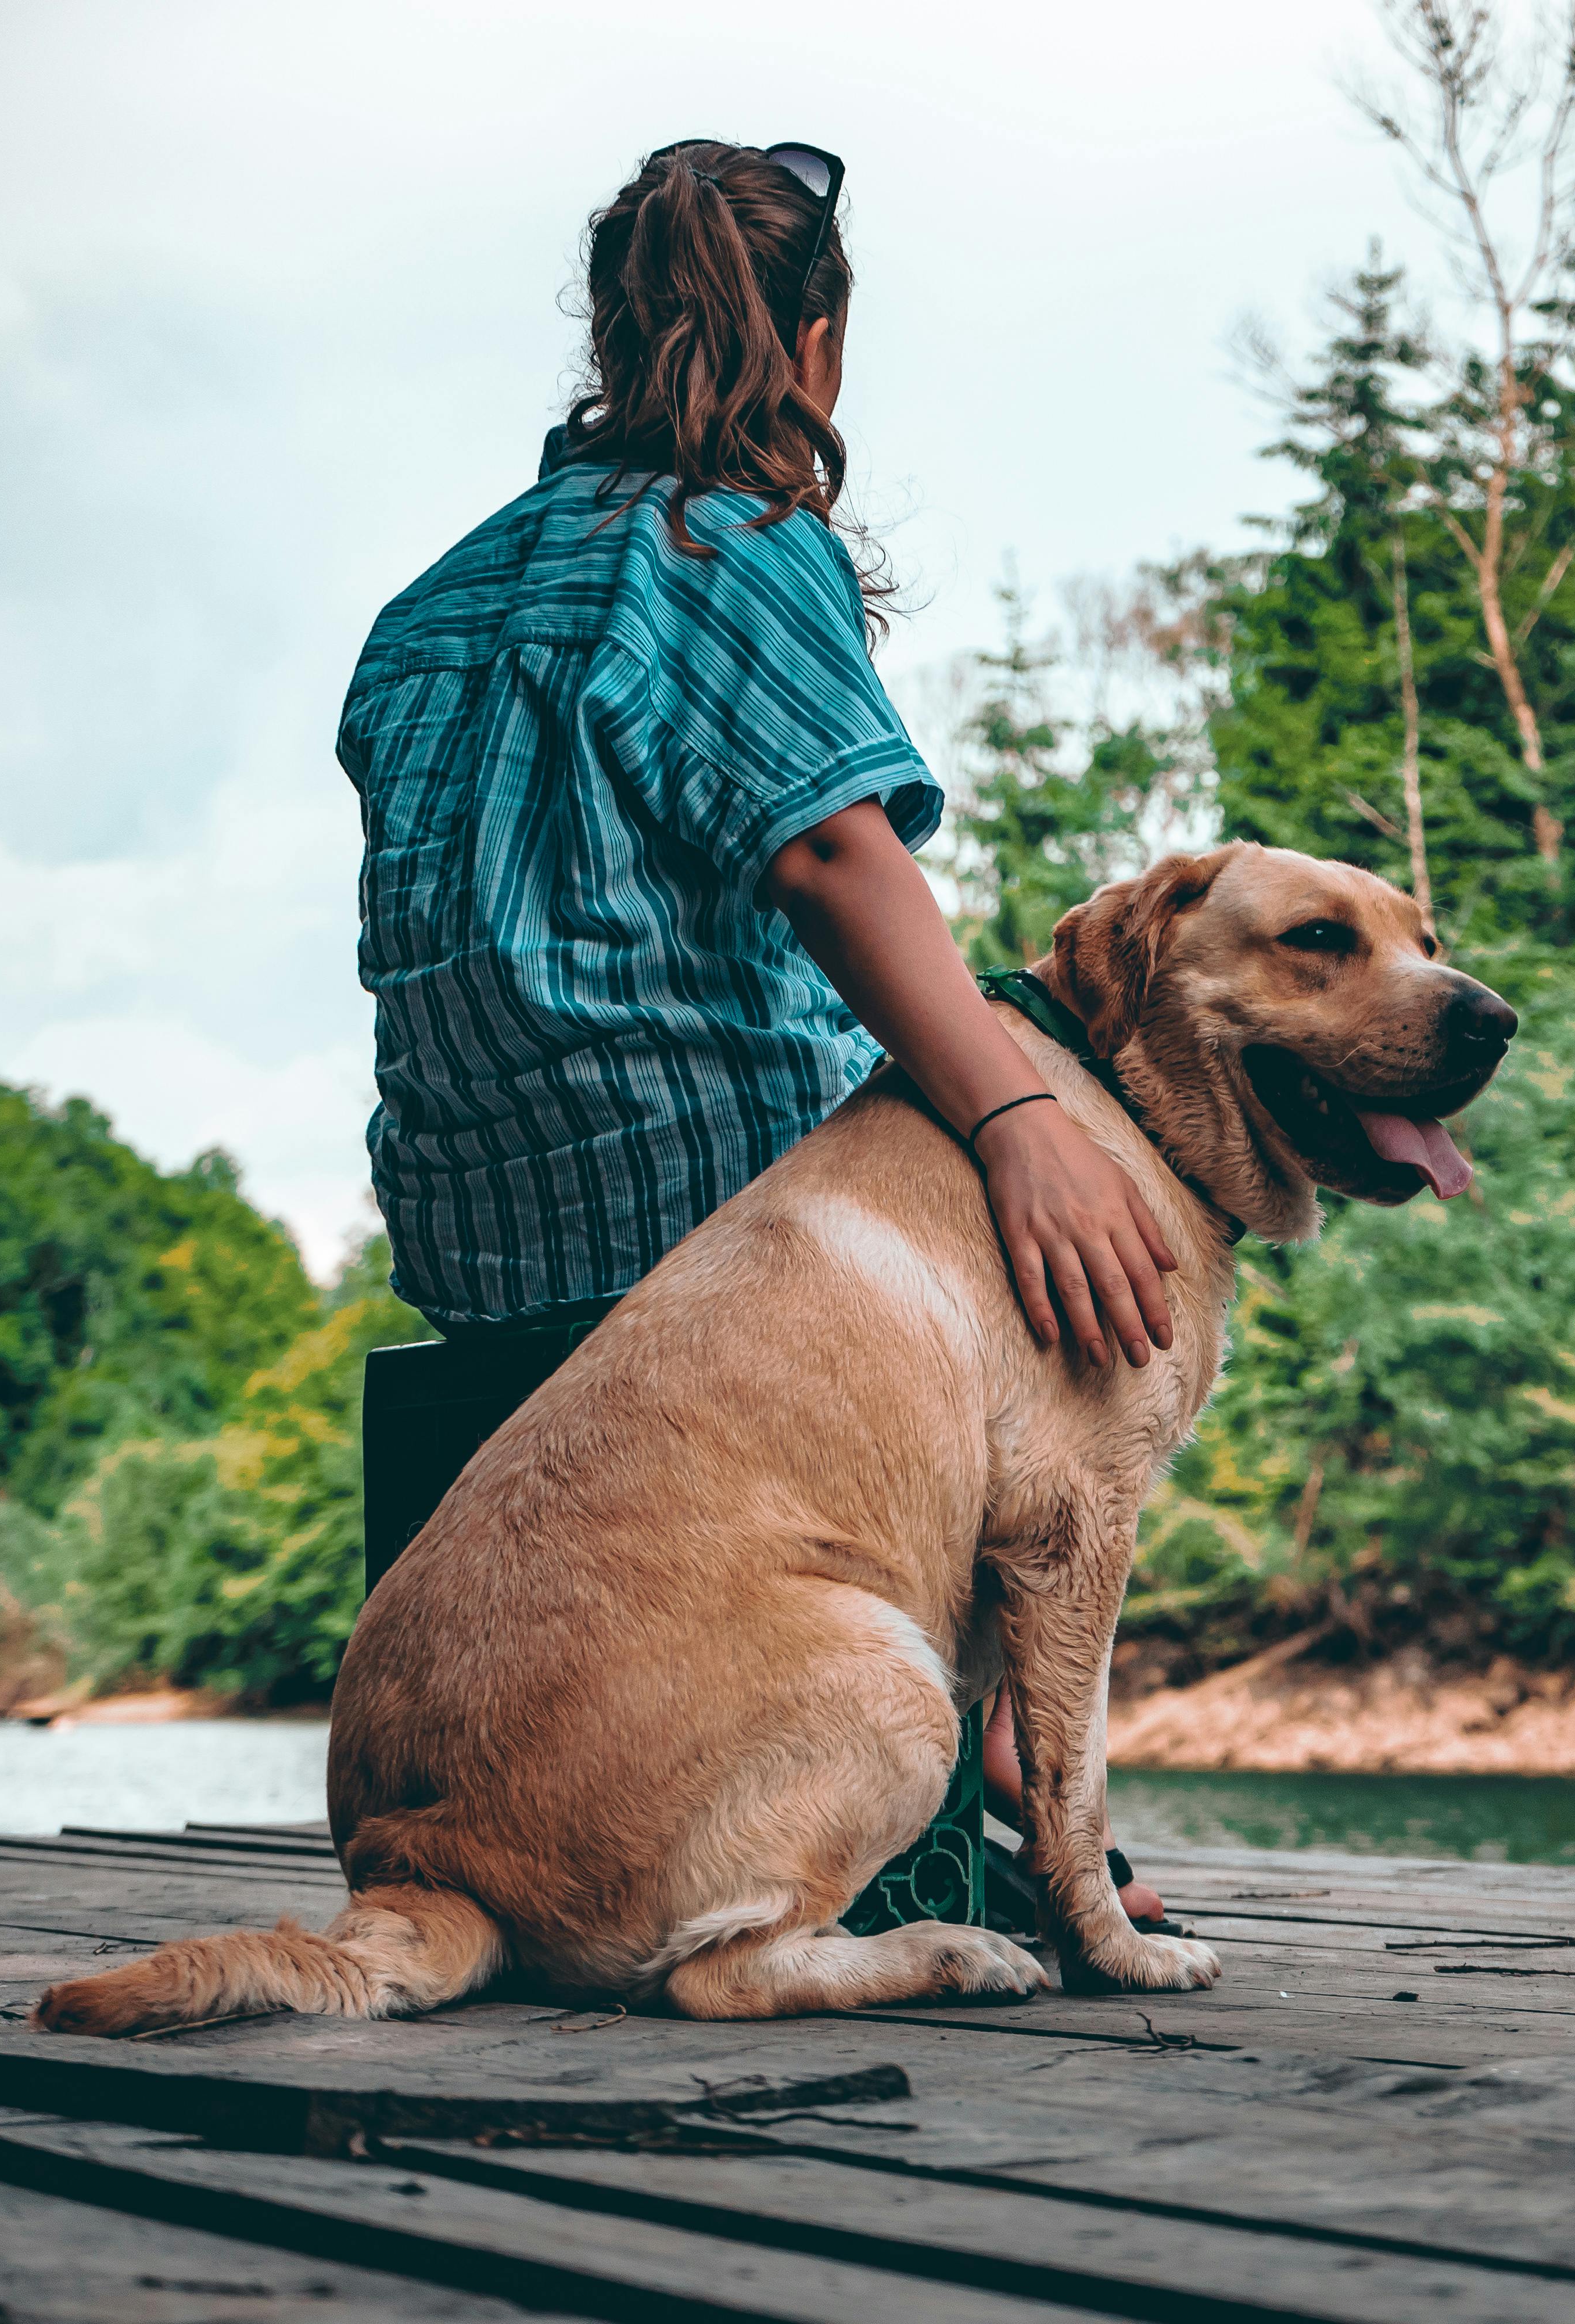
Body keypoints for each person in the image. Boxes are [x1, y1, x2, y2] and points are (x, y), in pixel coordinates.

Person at [338, 138, 1162, 1924]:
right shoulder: (735, 543)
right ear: (823, 338)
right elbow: (833, 852)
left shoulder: (434, 608)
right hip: (704, 1248)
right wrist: (1023, 1122)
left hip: (483, 1264)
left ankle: (996, 1738)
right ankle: (1008, 1761)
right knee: (1093, 1250)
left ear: (613, 330)